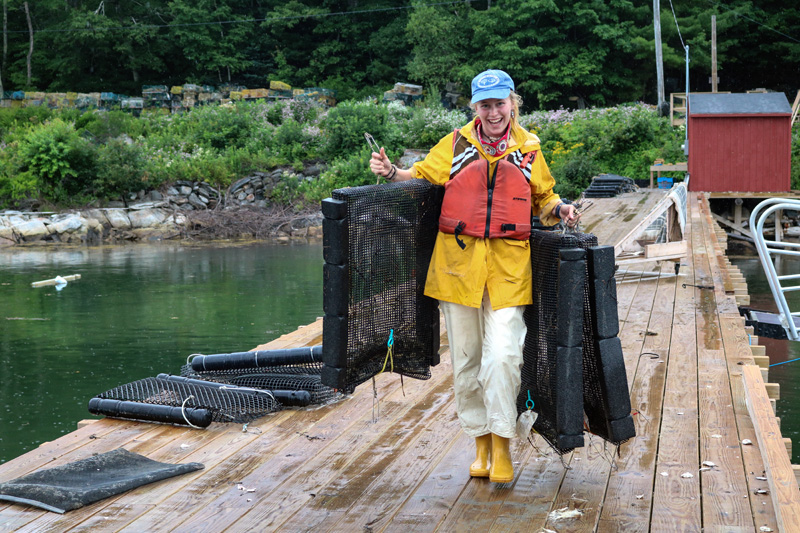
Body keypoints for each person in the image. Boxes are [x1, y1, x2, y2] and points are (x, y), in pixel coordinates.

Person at [369, 69, 579, 484]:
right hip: (455, 269)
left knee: (503, 355)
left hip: (508, 269)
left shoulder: (530, 148)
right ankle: (480, 444)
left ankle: (503, 445)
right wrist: (392, 172)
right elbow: (419, 178)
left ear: (512, 103)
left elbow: (544, 198)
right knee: (466, 362)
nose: (494, 111)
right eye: (485, 104)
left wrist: (561, 209)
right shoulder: (454, 144)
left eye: (500, 103)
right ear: (474, 108)